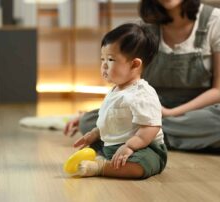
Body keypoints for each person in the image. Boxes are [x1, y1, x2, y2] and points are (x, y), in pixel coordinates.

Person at [64, 0, 220, 151]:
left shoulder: (214, 20)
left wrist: (169, 113)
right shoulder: (143, 29)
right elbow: (127, 79)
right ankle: (154, 135)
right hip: (147, 107)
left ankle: (143, 134)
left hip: (199, 110)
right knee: (87, 121)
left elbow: (218, 90)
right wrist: (107, 111)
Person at [70, 23, 167, 179]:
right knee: (92, 147)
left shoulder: (142, 94)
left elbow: (150, 128)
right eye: (102, 59)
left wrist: (130, 146)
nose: (104, 65)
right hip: (113, 145)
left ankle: (101, 167)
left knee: (139, 166)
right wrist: (94, 133)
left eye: (110, 59)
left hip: (144, 148)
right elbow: (109, 121)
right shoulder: (116, 90)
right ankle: (103, 159)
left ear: (135, 64)